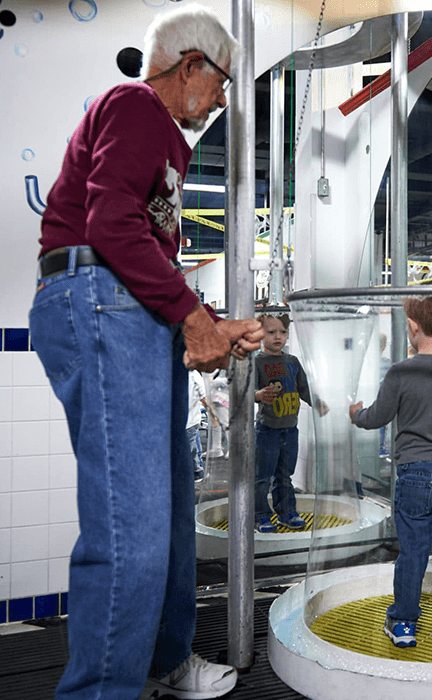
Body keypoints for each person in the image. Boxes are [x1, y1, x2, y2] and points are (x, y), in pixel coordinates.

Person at [28, 6, 264, 699]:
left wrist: (212, 321)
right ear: (191, 66)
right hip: (98, 301)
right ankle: (104, 690)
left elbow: (147, 251)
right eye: (220, 83)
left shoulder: (166, 141)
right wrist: (193, 319)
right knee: (131, 524)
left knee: (168, 514)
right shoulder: (134, 105)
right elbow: (111, 227)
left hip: (124, 305)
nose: (222, 99)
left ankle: (161, 663)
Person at [349, 289, 432, 648]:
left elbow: (377, 416)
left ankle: (404, 624)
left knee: (413, 550)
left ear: (412, 326)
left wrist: (355, 415)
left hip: (414, 473)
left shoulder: (401, 371)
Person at [253, 313, 326, 533]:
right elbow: (243, 391)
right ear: (260, 334)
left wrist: (318, 403)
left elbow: (304, 387)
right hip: (267, 429)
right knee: (262, 476)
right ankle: (260, 516)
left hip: (290, 429)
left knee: (285, 474)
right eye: (271, 332)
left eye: (282, 332)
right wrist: (258, 395)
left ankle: (286, 512)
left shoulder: (292, 362)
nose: (278, 337)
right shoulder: (257, 362)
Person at [187, 369, 217, 481]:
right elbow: (204, 399)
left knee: (191, 445)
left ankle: (197, 471)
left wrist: (213, 417)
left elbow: (204, 399)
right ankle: (197, 471)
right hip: (191, 421)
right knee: (192, 445)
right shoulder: (194, 375)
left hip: (189, 421)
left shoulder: (192, 375)